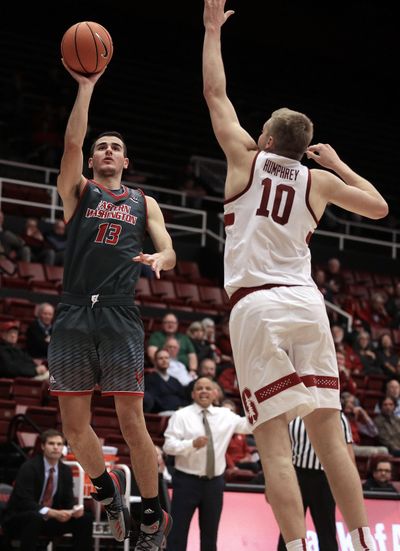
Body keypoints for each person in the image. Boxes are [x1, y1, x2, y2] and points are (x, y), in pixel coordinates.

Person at [202, 2, 388, 549]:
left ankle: (299, 546)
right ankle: (361, 542)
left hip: (256, 305)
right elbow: (378, 208)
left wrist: (212, 30)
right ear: (298, 146)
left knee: (275, 442)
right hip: (307, 303)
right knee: (331, 437)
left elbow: (216, 94)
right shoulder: (316, 181)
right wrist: (335, 164)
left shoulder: (243, 156)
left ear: (263, 138)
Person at [47, 61, 175, 548]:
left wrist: (161, 256)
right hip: (75, 310)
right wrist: (85, 88)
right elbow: (71, 146)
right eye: (101, 146)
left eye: (114, 147)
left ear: (126, 160)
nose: (105, 151)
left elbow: (168, 247)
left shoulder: (144, 201)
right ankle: (109, 494)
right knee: (75, 429)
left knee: (131, 421)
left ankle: (151, 514)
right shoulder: (78, 191)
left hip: (120, 312)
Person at [163, 377, 251, 551]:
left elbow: (248, 426)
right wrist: (191, 444)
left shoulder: (226, 416)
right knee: (177, 534)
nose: (204, 391)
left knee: (210, 537)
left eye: (208, 388)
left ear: (215, 393)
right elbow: (168, 446)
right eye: (199, 388)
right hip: (186, 482)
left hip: (214, 484)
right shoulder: (181, 416)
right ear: (193, 394)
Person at [1, 429, 93, 551]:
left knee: (84, 518)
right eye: (51, 443)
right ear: (43, 446)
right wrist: (50, 512)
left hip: (49, 519)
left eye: (59, 444)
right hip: (20, 517)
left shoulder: (65, 470)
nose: (56, 447)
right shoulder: (29, 467)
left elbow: (68, 500)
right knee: (35, 517)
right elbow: (24, 501)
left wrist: (73, 510)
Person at [277, 412, 354, 551]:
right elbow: (282, 449)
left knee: (326, 530)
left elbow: (347, 453)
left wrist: (351, 487)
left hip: (325, 479)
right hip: (296, 476)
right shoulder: (292, 416)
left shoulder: (338, 417)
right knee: (289, 528)